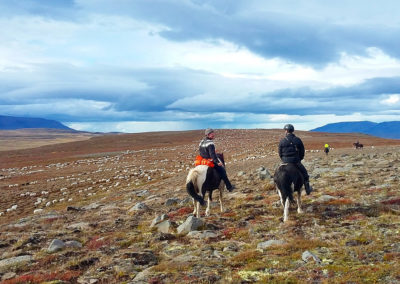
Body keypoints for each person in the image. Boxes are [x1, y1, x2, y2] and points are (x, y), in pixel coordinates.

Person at [278, 124, 313, 195]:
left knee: (277, 173)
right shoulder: (297, 140)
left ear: (286, 131)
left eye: (285, 130)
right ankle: (307, 188)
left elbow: (280, 152)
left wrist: (283, 159)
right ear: (292, 131)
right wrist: (299, 159)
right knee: (305, 174)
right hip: (295, 161)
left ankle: (277, 187)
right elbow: (302, 151)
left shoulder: (282, 141)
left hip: (285, 161)